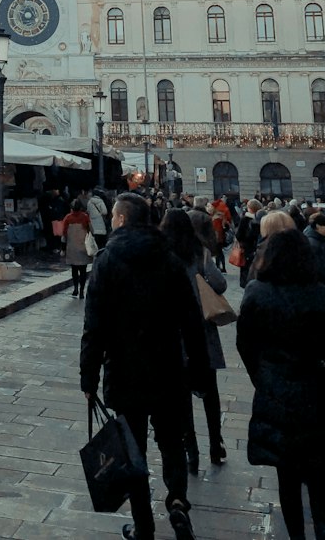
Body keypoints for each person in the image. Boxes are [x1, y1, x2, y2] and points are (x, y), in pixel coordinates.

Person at [81, 192, 206, 540]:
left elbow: (94, 326)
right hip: (169, 369)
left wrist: (88, 378)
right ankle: (178, 501)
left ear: (120, 220)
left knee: (132, 451)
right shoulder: (169, 259)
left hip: (124, 371)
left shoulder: (106, 261)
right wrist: (197, 369)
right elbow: (192, 321)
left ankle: (144, 526)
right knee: (171, 442)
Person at [237, 230, 325, 540]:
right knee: (318, 472)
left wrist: (263, 378)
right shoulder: (322, 294)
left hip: (275, 395)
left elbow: (245, 345)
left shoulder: (256, 293)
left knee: (286, 474)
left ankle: (297, 536)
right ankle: (324, 532)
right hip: (315, 393)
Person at [160, 208, 228, 472]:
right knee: (210, 391)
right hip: (202, 331)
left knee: (182, 396)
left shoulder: (163, 256)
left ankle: (191, 451)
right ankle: (215, 443)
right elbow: (220, 284)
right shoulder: (199, 254)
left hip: (173, 333)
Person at [62, 197, 93, 298]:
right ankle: (81, 290)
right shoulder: (85, 217)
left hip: (72, 247)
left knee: (74, 269)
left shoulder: (68, 218)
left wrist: (63, 248)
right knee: (83, 270)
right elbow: (90, 230)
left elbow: (64, 234)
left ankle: (75, 288)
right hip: (83, 247)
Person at [234, 199, 262, 288]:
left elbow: (239, 235)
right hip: (259, 247)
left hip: (247, 248)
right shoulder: (262, 218)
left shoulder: (245, 219)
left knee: (246, 269)